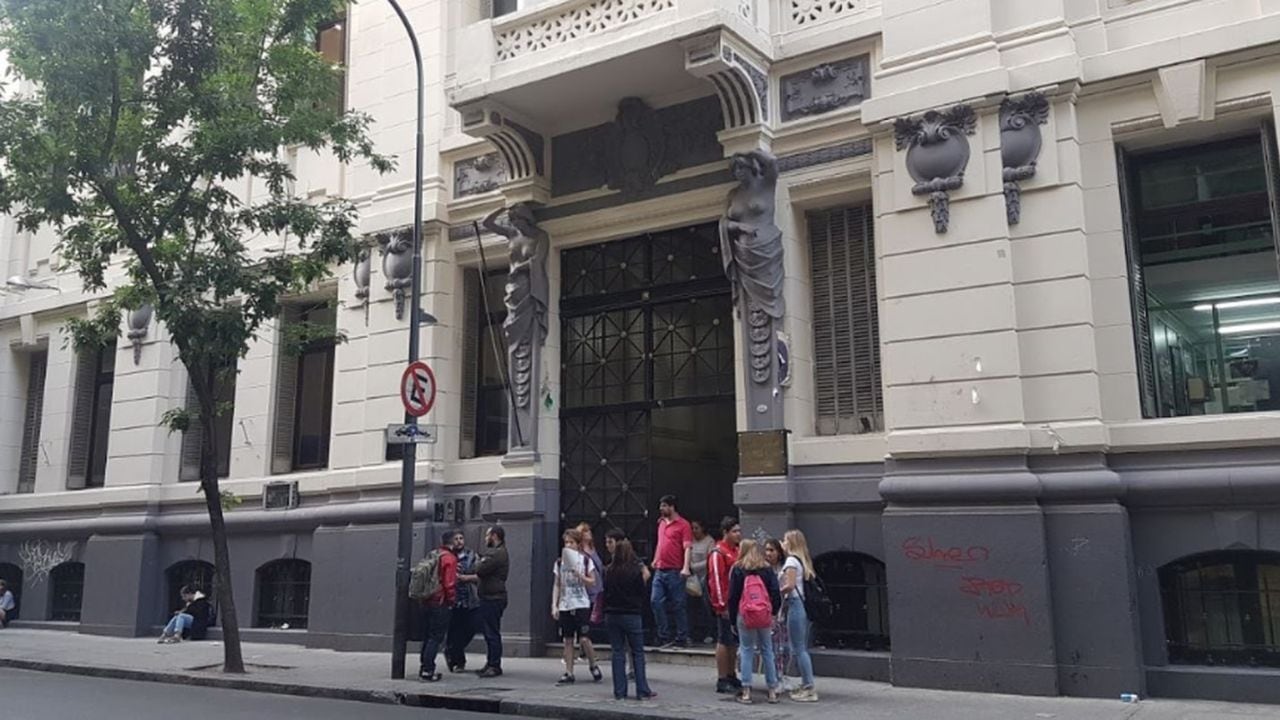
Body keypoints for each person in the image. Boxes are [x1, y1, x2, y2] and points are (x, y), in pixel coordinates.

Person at [728, 539, 782, 705]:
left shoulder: (738, 569)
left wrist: (732, 619)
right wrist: (773, 613)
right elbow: (775, 592)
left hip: (745, 615)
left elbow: (732, 597)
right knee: (767, 650)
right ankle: (772, 691)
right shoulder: (766, 568)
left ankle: (746, 691)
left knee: (746, 650)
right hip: (764, 615)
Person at [604, 539, 655, 701]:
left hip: (612, 614)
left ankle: (620, 691)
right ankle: (642, 689)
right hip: (631, 614)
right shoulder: (634, 572)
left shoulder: (609, 571)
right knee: (637, 652)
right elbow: (641, 592)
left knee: (617, 652)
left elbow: (605, 593)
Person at [552, 528, 601, 686]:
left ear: (578, 544)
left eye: (571, 542)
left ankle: (593, 663)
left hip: (581, 603)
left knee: (584, 638)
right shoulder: (560, 562)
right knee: (567, 639)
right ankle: (569, 672)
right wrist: (555, 604)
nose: (568, 545)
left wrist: (580, 576)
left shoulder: (585, 560)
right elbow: (557, 584)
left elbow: (593, 581)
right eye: (566, 542)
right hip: (566, 603)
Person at [650, 494, 694, 649]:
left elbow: (687, 547)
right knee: (655, 601)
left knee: (678, 604)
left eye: (664, 506)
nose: (661, 509)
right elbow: (660, 544)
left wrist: (685, 567)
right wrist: (656, 559)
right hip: (660, 569)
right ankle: (664, 635)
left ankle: (682, 636)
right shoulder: (661, 523)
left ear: (672, 507)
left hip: (675, 569)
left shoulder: (683, 525)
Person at [782, 529, 819, 702]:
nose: (782, 543)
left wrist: (776, 592)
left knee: (798, 648)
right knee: (801, 646)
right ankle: (807, 684)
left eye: (784, 540)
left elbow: (789, 586)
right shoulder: (802, 561)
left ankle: (808, 686)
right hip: (801, 605)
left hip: (795, 605)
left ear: (790, 543)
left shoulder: (790, 560)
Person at [708, 516, 743, 694]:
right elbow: (716, 581)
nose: (738, 534)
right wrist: (721, 605)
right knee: (724, 640)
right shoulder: (718, 553)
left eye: (739, 531)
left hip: (736, 604)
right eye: (734, 531)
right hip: (725, 605)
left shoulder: (736, 551)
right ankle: (722, 678)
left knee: (733, 641)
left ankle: (731, 674)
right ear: (725, 533)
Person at [420, 531, 460, 682]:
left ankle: (423, 667)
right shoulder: (449, 558)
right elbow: (449, 584)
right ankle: (428, 670)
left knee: (427, 636)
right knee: (436, 637)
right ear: (451, 542)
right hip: (440, 602)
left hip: (427, 601)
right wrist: (451, 601)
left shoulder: (434, 554)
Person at [474, 525, 509, 678]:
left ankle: (494, 665)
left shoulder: (496, 554)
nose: (485, 538)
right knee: (490, 633)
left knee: (492, 633)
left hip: (492, 598)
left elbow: (479, 569)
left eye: (487, 535)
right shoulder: (499, 552)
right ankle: (490, 663)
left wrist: (478, 561)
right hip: (492, 597)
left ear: (494, 536)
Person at [446, 531, 480, 674]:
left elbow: (480, 575)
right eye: (456, 539)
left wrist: (465, 578)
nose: (459, 541)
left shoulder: (472, 556)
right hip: (453, 600)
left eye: (461, 538)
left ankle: (452, 651)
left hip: (469, 598)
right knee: (454, 631)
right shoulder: (448, 557)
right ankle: (458, 661)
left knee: (471, 628)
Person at [764, 538, 792, 691]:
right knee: (773, 648)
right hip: (770, 613)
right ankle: (775, 677)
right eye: (767, 550)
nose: (768, 553)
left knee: (785, 648)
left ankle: (784, 675)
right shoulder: (764, 569)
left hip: (784, 612)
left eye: (772, 550)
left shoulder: (784, 568)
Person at [689, 519, 715, 644]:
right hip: (693, 579)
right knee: (692, 607)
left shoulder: (709, 541)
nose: (694, 531)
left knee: (706, 606)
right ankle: (693, 632)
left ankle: (709, 631)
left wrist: (695, 566)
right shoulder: (691, 541)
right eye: (692, 528)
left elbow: (710, 560)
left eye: (696, 528)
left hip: (705, 577)